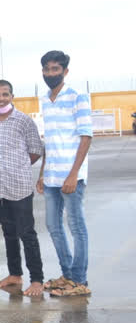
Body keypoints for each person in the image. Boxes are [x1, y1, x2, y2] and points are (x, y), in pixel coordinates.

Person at [37, 50, 93, 297]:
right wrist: (41, 173)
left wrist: (74, 174)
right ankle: (67, 275)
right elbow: (49, 140)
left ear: (65, 71)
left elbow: (86, 137)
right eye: (47, 69)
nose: (50, 74)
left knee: (76, 227)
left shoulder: (78, 96)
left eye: (55, 69)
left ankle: (80, 280)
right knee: (52, 225)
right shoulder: (45, 99)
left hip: (72, 177)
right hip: (51, 176)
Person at [0, 80, 45, 296]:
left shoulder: (24, 121)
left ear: (12, 96)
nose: (1, 98)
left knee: (26, 233)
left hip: (19, 187)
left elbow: (36, 150)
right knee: (8, 233)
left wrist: (18, 166)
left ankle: (37, 280)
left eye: (5, 94)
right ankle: (15, 275)